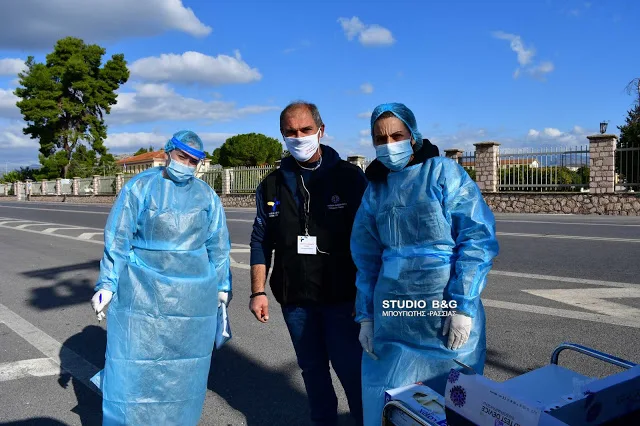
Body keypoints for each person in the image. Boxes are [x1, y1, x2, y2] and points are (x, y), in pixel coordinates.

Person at [350, 103, 499, 425]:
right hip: (391, 314)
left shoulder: (443, 172)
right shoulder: (376, 188)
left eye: (397, 135)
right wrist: (366, 317)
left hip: (443, 309)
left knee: (452, 400)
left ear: (413, 136)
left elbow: (476, 238)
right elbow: (366, 257)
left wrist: (463, 304)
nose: (389, 144)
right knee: (387, 396)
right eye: (380, 138)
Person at [89, 130, 232, 426]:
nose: (187, 165)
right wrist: (107, 284)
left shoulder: (206, 195)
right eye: (182, 157)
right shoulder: (139, 187)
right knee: (134, 364)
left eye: (194, 161)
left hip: (192, 299)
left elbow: (218, 244)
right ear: (168, 153)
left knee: (182, 373)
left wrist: (222, 286)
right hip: (142, 292)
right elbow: (119, 238)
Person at [249, 101, 367, 426]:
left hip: (343, 301)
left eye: (305, 130)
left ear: (321, 130)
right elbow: (261, 241)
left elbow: (372, 239)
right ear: (282, 136)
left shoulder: (350, 178)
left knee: (353, 374)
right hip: (296, 303)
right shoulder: (271, 185)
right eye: (290, 132)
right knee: (313, 373)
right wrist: (257, 292)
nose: (298, 137)